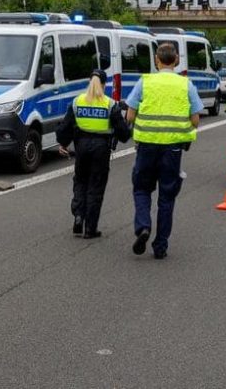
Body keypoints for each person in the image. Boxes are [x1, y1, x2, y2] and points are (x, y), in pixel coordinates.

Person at [126, 44, 202, 259]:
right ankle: (160, 246)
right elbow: (196, 120)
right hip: (173, 148)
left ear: (156, 60)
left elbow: (130, 116)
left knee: (142, 189)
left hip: (146, 146)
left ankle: (143, 226)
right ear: (176, 60)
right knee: (167, 197)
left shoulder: (145, 82)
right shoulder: (186, 84)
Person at [56, 69, 131, 239]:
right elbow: (124, 134)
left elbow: (65, 127)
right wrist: (127, 126)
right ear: (104, 85)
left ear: (89, 82)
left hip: (81, 147)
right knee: (96, 186)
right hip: (101, 148)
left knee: (80, 181)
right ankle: (90, 228)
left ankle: (78, 216)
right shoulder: (109, 104)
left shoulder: (77, 102)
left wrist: (63, 143)